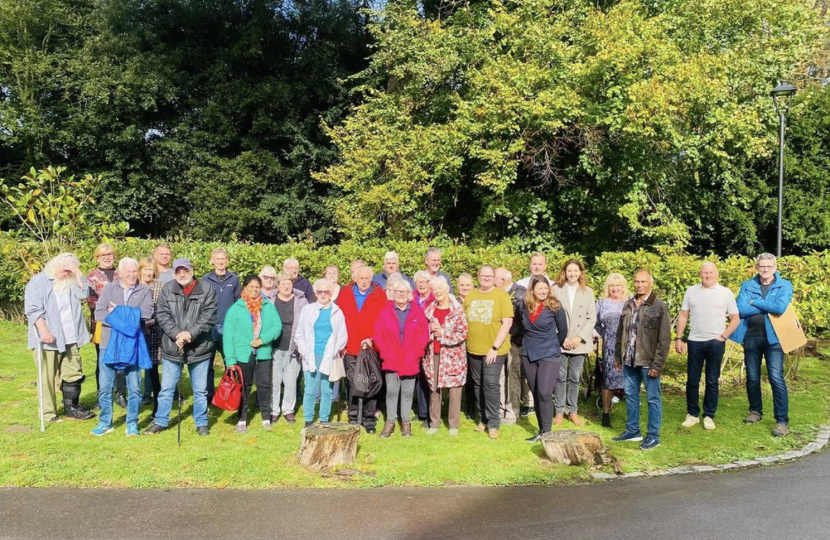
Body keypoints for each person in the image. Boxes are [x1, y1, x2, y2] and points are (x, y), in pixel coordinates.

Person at [144, 258, 217, 436]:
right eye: (178, 271)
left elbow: (208, 316)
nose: (182, 274)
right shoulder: (168, 289)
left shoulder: (207, 289)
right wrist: (177, 334)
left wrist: (190, 334)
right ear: (174, 273)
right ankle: (161, 420)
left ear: (192, 271)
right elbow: (162, 315)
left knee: (200, 390)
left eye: (185, 270)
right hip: (172, 346)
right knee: (167, 388)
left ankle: (201, 423)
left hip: (200, 346)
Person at [25, 253, 95, 422]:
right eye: (65, 269)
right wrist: (44, 332)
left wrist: (77, 272)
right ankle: (48, 414)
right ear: (55, 265)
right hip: (50, 338)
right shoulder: (39, 281)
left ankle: (71, 407)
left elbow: (84, 293)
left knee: (73, 373)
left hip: (72, 337)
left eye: (70, 270)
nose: (66, 273)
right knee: (47, 377)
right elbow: (34, 310)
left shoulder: (71, 281)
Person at [731, 253, 794, 437]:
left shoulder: (784, 285)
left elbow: (780, 308)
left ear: (775, 268)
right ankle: (755, 412)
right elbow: (740, 309)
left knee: (775, 377)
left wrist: (756, 302)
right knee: (752, 377)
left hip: (775, 338)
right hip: (751, 337)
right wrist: (767, 304)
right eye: (762, 266)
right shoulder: (748, 285)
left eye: (769, 266)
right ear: (757, 268)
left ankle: (782, 421)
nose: (765, 269)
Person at [91, 258, 154, 437]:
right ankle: (105, 422)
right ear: (120, 272)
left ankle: (132, 423)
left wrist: (117, 311)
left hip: (132, 345)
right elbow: (100, 313)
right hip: (108, 344)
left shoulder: (145, 290)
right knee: (105, 386)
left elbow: (147, 314)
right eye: (128, 271)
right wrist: (130, 318)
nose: (132, 275)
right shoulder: (110, 289)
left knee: (134, 387)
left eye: (135, 271)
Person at [676, 262, 740, 431]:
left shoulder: (725, 293)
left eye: (711, 272)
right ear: (700, 274)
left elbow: (735, 319)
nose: (708, 275)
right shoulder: (691, 291)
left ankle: (709, 415)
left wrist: (723, 337)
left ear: (717, 274)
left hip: (715, 342)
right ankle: (692, 414)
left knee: (712, 380)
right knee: (692, 380)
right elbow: (683, 315)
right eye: (705, 272)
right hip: (695, 340)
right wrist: (678, 338)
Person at [613, 270, 671, 450]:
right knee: (631, 396)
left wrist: (657, 364)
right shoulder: (628, 304)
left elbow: (664, 339)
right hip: (629, 360)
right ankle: (633, 431)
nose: (639, 285)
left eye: (643, 282)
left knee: (653, 399)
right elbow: (620, 333)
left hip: (648, 361)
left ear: (650, 283)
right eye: (637, 281)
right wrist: (617, 356)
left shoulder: (659, 306)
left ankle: (653, 436)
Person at [223, 275, 282, 433]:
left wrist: (263, 340)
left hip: (263, 352)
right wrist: (230, 359)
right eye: (252, 287)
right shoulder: (236, 309)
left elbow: (277, 327)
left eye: (257, 287)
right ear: (245, 288)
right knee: (244, 387)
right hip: (243, 354)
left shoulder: (268, 306)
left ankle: (265, 417)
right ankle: (242, 419)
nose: (255, 290)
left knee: (264, 385)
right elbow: (228, 336)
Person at [374, 279, 430, 438]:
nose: (401, 295)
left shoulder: (417, 311)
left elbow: (423, 335)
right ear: (393, 293)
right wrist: (384, 352)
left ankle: (406, 423)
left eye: (405, 292)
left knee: (407, 392)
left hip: (410, 358)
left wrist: (417, 353)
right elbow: (378, 334)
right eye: (398, 292)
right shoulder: (385, 310)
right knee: (391, 391)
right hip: (390, 357)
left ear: (409, 294)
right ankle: (390, 422)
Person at [463, 265, 513, 439]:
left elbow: (507, 323)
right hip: (473, 348)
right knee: (477, 384)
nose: (486, 278)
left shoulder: (501, 295)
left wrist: (494, 347)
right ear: (478, 277)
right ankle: (482, 418)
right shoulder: (471, 295)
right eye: (483, 275)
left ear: (494, 278)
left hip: (494, 350)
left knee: (490, 384)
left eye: (489, 276)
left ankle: (493, 423)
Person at [337, 265, 386, 432]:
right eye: (361, 278)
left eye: (367, 278)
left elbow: (383, 321)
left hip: (370, 347)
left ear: (371, 278)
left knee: (370, 383)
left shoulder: (380, 295)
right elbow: (339, 319)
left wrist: (373, 339)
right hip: (350, 346)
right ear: (355, 278)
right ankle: (353, 416)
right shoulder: (345, 293)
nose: (364, 281)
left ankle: (369, 419)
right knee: (352, 383)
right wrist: (341, 344)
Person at [520, 276, 568, 442]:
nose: (543, 291)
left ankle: (547, 433)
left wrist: (554, 345)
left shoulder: (555, 306)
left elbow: (563, 330)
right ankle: (541, 430)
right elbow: (518, 327)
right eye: (539, 288)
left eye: (545, 288)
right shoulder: (523, 305)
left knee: (544, 392)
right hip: (528, 353)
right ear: (532, 290)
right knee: (536, 392)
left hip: (549, 353)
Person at [295, 279, 348, 427]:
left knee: (327, 389)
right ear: (316, 292)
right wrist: (304, 351)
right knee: (310, 389)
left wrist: (333, 352)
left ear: (331, 293)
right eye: (320, 291)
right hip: (311, 355)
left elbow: (342, 336)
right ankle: (308, 419)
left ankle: (324, 418)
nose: (323, 294)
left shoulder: (337, 312)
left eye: (326, 291)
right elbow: (299, 334)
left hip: (329, 356)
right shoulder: (308, 310)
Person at [551, 259, 596, 426]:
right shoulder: (555, 290)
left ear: (580, 273)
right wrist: (561, 338)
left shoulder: (588, 292)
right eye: (569, 271)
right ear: (564, 272)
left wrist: (578, 338)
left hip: (580, 342)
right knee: (560, 377)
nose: (572, 274)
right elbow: (551, 315)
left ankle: (573, 411)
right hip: (561, 341)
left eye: (575, 271)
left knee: (575, 377)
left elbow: (592, 318)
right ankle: (559, 412)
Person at [423, 276, 468, 436]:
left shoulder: (457, 310)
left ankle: (453, 424)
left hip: (453, 356)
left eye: (440, 289)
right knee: (434, 389)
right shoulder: (428, 310)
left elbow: (463, 333)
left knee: (455, 390)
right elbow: (421, 332)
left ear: (447, 289)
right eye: (435, 290)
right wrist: (429, 328)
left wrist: (443, 333)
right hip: (434, 354)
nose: (438, 292)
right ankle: (434, 422)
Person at [86, 243, 124, 409]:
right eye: (103, 255)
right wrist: (105, 309)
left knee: (122, 359)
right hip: (101, 323)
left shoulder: (121, 273)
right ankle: (102, 396)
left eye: (110, 254)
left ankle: (121, 394)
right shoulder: (92, 276)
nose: (107, 257)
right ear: (97, 257)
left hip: (121, 323)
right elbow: (90, 300)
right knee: (102, 361)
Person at [268, 271, 308, 424]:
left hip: (293, 346)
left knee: (291, 380)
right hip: (274, 347)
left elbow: (306, 323)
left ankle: (288, 410)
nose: (286, 286)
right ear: (278, 285)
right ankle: (274, 410)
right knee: (274, 379)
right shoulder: (270, 300)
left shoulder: (301, 300)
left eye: (289, 283)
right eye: (283, 283)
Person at [204, 248, 241, 402]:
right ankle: (209, 395)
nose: (220, 261)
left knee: (230, 362)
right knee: (208, 363)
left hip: (229, 327)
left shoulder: (234, 279)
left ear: (227, 261)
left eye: (223, 258)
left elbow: (239, 302)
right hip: (211, 326)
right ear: (212, 261)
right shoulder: (205, 279)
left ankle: (231, 393)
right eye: (217, 258)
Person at [593, 273, 630, 428]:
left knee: (630, 380)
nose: (615, 288)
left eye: (618, 285)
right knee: (608, 380)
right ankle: (606, 414)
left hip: (628, 346)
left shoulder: (631, 302)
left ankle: (631, 417)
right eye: (611, 286)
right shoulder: (601, 303)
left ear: (623, 287)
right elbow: (595, 323)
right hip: (609, 346)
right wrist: (597, 334)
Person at [494, 267, 526, 425]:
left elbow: (523, 320)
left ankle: (513, 411)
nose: (493, 281)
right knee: (499, 376)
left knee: (512, 375)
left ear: (503, 280)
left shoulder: (521, 293)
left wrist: (516, 340)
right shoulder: (495, 293)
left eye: (495, 278)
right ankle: (500, 410)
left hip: (514, 342)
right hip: (498, 341)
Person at [138, 257, 163, 419]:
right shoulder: (134, 287)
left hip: (155, 333)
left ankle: (158, 406)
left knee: (153, 371)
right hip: (137, 333)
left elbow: (165, 311)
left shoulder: (161, 287)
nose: (148, 272)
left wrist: (150, 323)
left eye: (150, 269)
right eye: (145, 269)